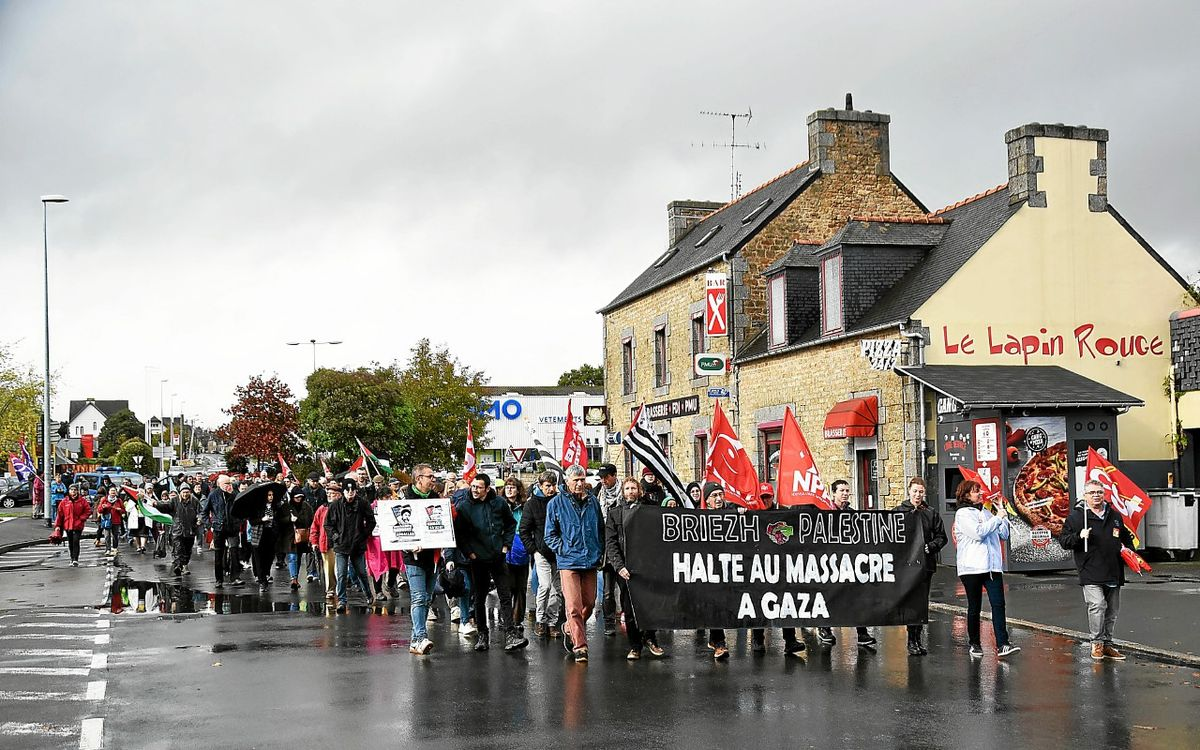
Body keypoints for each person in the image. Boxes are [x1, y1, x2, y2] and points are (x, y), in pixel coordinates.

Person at [1059, 479, 1133, 661]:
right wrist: (1078, 536)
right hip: (1090, 570)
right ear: (1085, 496)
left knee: (1112, 610)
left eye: (1099, 492)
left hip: (1113, 569)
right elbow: (1064, 541)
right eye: (1092, 493)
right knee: (1097, 605)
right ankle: (1097, 643)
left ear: (1104, 494)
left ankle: (1108, 644)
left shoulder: (1114, 516)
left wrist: (1129, 550)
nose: (1096, 496)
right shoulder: (1076, 518)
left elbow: (1125, 537)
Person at [454, 473, 527, 652]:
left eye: (479, 487)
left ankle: (510, 633)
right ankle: (482, 635)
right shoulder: (464, 507)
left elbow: (510, 524)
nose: (475, 490)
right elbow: (460, 534)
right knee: (479, 597)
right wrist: (469, 553)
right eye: (473, 486)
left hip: (498, 557)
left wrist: (506, 546)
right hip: (478, 559)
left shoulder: (499, 503)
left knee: (504, 594)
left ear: (487, 488)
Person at [954, 479, 1020, 658]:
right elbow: (978, 533)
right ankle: (975, 643)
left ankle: (1003, 643)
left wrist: (1002, 515)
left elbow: (1004, 535)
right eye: (976, 491)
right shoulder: (963, 514)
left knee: (998, 604)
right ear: (967, 495)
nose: (981, 493)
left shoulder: (987, 512)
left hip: (992, 567)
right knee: (974, 606)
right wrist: (997, 518)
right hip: (972, 568)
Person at [545, 464, 604, 663]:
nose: (579, 483)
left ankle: (569, 627)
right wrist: (563, 549)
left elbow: (600, 529)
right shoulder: (555, 503)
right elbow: (549, 535)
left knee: (589, 602)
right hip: (569, 561)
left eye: (582, 479)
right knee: (573, 606)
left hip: (590, 560)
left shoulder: (593, 502)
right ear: (567, 481)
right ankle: (580, 646)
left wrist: (600, 552)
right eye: (575, 480)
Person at [605, 477, 666, 660]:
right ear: (623, 492)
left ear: (639, 490)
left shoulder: (649, 511)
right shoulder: (614, 513)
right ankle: (635, 645)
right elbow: (611, 542)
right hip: (626, 569)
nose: (630, 491)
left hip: (647, 568)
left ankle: (651, 638)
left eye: (634, 488)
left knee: (650, 606)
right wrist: (619, 566)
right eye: (627, 488)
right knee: (629, 609)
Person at [815, 479, 876, 649]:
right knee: (829, 596)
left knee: (855, 598)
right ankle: (825, 628)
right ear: (833, 493)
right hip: (828, 562)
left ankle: (862, 634)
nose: (845, 493)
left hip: (848, 562)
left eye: (847, 490)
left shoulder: (852, 513)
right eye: (841, 490)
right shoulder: (824, 512)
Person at [897, 477, 947, 655]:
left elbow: (942, 537)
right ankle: (911, 640)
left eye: (921, 492)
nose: (917, 495)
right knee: (911, 603)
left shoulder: (930, 512)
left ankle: (918, 638)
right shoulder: (899, 511)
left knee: (921, 603)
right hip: (907, 566)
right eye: (915, 491)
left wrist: (930, 546)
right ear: (909, 491)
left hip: (926, 564)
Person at [401, 464, 444, 655]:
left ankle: (414, 642)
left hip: (432, 556)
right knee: (418, 598)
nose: (433, 479)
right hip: (413, 557)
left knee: (426, 599)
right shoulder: (404, 498)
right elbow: (397, 529)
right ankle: (420, 637)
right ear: (419, 479)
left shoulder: (436, 499)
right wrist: (408, 544)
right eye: (430, 476)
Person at [519, 471, 565, 638]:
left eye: (553, 485)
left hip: (560, 552)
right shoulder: (532, 505)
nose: (551, 489)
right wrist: (534, 550)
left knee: (556, 590)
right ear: (540, 486)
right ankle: (540, 620)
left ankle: (552, 622)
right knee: (544, 586)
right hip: (542, 552)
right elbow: (524, 530)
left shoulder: (561, 501)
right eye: (547, 486)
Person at [324, 478, 376, 613]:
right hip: (341, 545)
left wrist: (364, 535)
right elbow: (328, 524)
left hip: (357, 545)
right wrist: (335, 537)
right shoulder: (335, 505)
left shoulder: (363, 503)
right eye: (347, 490)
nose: (350, 493)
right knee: (341, 574)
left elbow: (371, 521)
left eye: (353, 490)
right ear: (343, 492)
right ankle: (342, 600)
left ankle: (369, 595)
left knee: (361, 573)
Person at [701, 482, 733, 660]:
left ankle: (714, 639)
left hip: (729, 566)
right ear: (707, 500)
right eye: (714, 496)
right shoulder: (700, 518)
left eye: (721, 494)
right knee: (715, 603)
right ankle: (720, 643)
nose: (719, 499)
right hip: (709, 568)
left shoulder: (732, 514)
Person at [200, 475, 245, 588]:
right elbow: (204, 512)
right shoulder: (213, 494)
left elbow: (242, 511)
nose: (229, 486)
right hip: (219, 528)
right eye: (226, 484)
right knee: (218, 554)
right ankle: (219, 579)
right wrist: (210, 525)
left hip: (232, 528)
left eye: (230, 483)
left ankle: (235, 577)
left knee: (234, 551)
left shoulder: (234, 494)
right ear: (220, 484)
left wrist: (238, 522)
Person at [594, 463, 622, 636]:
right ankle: (609, 622)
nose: (603, 481)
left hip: (622, 547)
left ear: (614, 476)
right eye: (601, 478)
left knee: (627, 589)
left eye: (606, 477)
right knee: (607, 591)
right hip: (606, 549)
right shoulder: (598, 495)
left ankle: (631, 618)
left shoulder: (623, 495)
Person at [502, 477, 531, 634]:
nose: (510, 490)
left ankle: (517, 619)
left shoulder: (525, 506)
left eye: (513, 487)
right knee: (507, 587)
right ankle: (506, 617)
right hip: (505, 549)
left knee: (520, 588)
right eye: (507, 487)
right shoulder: (500, 505)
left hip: (521, 548)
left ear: (518, 489)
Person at [155, 485, 201, 576]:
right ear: (180, 492)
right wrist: (156, 504)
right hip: (177, 529)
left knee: (188, 550)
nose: (185, 494)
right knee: (178, 548)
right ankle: (178, 566)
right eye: (183, 492)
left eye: (187, 492)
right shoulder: (174, 500)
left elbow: (200, 511)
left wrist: (199, 519)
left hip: (190, 530)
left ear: (190, 492)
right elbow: (166, 507)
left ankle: (184, 564)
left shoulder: (194, 501)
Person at [280, 486, 315, 590]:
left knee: (298, 557)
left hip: (302, 536)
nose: (299, 499)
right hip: (290, 536)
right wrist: (289, 519)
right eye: (296, 497)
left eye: (300, 497)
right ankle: (293, 579)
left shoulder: (306, 506)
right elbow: (280, 520)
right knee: (292, 557)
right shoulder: (286, 507)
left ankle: (296, 577)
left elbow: (311, 520)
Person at [54, 484, 91, 566]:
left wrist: (81, 518)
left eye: (75, 490)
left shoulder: (82, 501)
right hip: (68, 525)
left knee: (76, 541)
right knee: (70, 542)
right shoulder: (64, 501)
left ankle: (75, 559)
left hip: (78, 525)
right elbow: (60, 515)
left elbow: (88, 511)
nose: (73, 491)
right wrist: (57, 526)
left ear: (77, 491)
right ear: (69, 491)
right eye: (71, 490)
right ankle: (71, 558)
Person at [309, 490, 337, 602]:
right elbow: (315, 526)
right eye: (328, 493)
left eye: (333, 493)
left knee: (339, 569)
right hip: (326, 542)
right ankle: (330, 590)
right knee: (328, 569)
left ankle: (340, 589)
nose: (330, 495)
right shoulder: (322, 508)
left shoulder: (343, 507)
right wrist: (314, 541)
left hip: (340, 543)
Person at [96, 487, 125, 555]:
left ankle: (115, 548)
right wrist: (103, 507)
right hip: (107, 520)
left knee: (115, 535)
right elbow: (99, 510)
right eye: (111, 491)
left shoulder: (119, 500)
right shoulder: (104, 499)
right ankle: (108, 549)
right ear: (108, 492)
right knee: (107, 536)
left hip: (116, 520)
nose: (113, 492)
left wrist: (119, 510)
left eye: (114, 491)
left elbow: (124, 511)